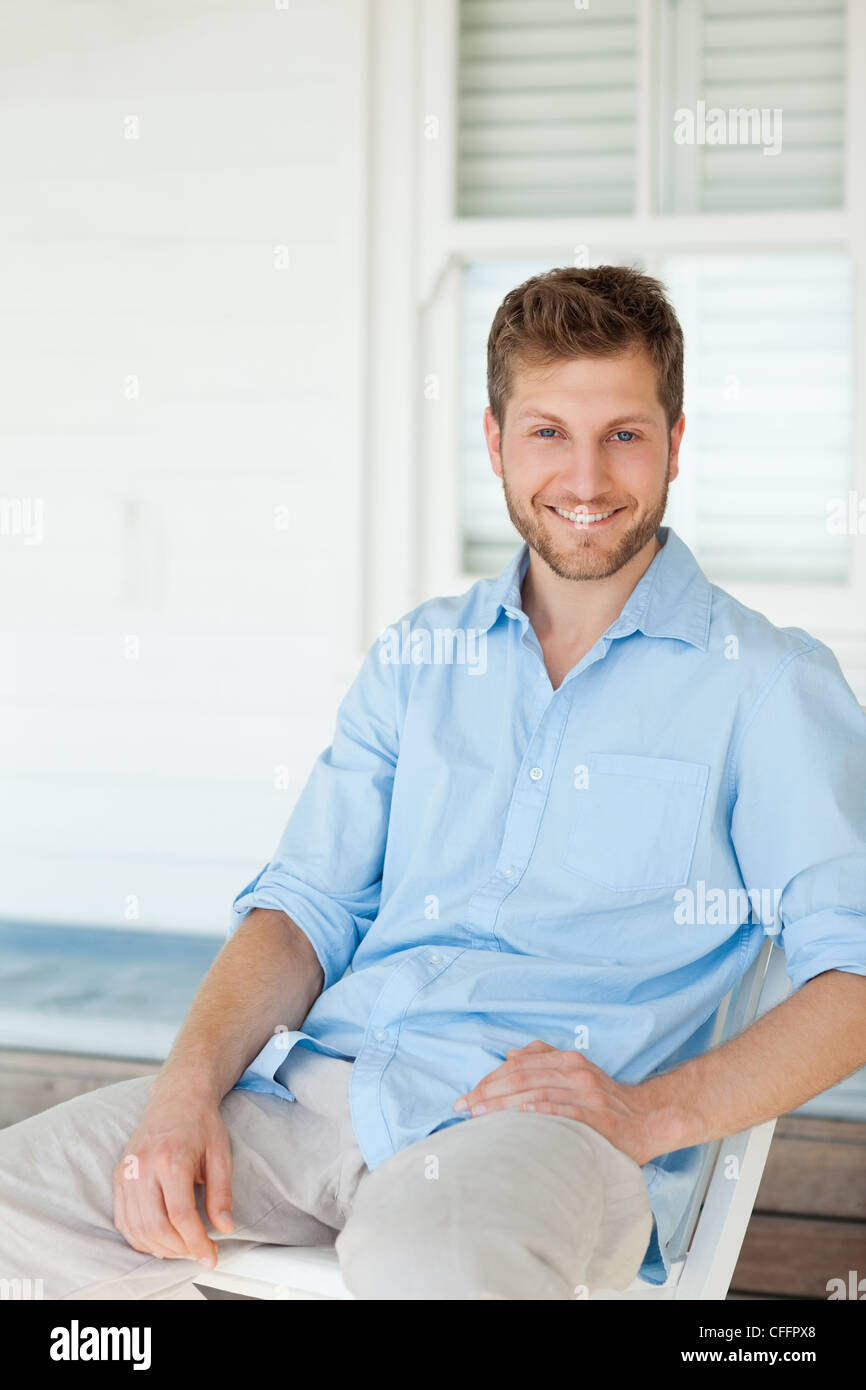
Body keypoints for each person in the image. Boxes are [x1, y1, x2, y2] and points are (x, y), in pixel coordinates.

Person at [2, 266, 865, 1301]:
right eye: (547, 431)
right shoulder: (418, 660)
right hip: (314, 1096)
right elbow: (304, 912)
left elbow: (853, 972)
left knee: (433, 1273)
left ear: (675, 443)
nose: (585, 477)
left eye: (622, 434)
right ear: (494, 441)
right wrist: (187, 1089)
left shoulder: (766, 684)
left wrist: (653, 1115)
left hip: (537, 1133)